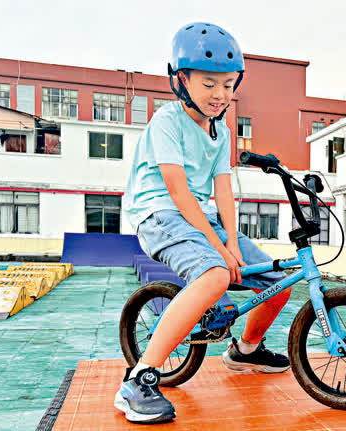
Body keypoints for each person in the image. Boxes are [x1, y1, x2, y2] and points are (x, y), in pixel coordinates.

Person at [116, 22, 290, 424]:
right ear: (181, 80)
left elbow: (224, 190)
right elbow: (177, 192)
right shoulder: (167, 121)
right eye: (210, 84)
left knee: (279, 280)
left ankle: (245, 351)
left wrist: (230, 239)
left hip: (201, 216)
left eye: (229, 85)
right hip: (159, 214)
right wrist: (219, 247)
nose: (221, 95)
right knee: (215, 275)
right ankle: (138, 380)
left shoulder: (221, 130)